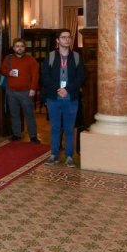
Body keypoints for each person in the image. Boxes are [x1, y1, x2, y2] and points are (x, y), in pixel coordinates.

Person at [40, 29, 84, 167]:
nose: (67, 39)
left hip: (71, 99)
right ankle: (54, 154)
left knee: (69, 128)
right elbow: (45, 76)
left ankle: (69, 156)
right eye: (63, 37)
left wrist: (67, 89)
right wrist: (58, 89)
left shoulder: (76, 57)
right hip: (54, 98)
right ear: (57, 40)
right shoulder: (51, 56)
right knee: (55, 128)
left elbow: (81, 77)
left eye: (68, 37)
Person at [1, 38, 40, 143]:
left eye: (22, 46)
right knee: (14, 114)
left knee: (29, 115)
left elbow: (35, 75)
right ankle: (16, 135)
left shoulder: (31, 59)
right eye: (17, 46)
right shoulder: (8, 58)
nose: (19, 48)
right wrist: (8, 73)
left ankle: (33, 136)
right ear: (14, 48)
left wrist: (33, 89)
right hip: (11, 92)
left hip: (26, 92)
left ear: (24, 48)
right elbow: (2, 69)